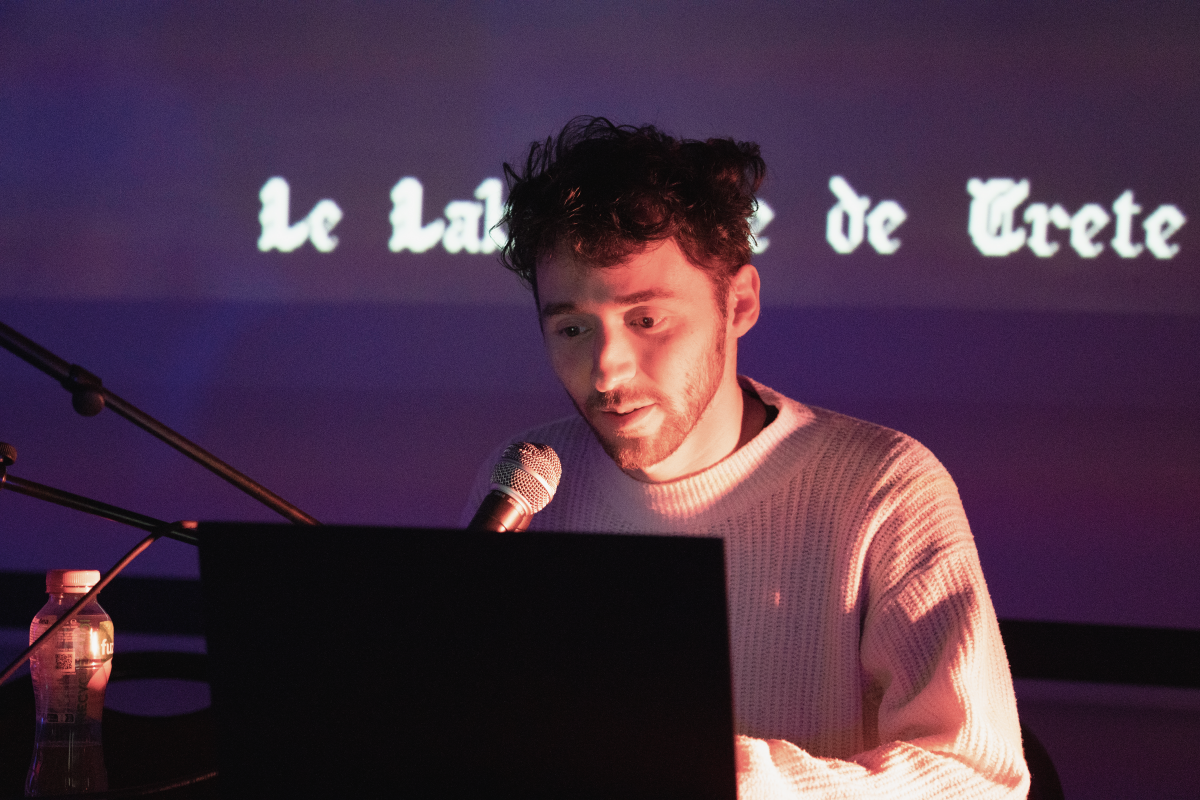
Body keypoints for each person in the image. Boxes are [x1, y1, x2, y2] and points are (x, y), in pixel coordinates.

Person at [462, 117, 1030, 798]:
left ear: (739, 303)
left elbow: (979, 780)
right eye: (572, 328)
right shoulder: (525, 481)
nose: (606, 370)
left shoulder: (886, 486)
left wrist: (709, 772)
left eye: (646, 320)